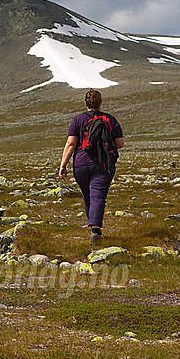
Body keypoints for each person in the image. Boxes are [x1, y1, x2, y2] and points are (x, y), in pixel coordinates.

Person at [59, 89, 124, 244]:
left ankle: (94, 227)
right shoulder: (109, 119)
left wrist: (63, 165)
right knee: (98, 196)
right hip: (103, 164)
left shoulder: (78, 119)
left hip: (81, 164)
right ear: (100, 102)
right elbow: (120, 143)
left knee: (88, 195)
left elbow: (71, 143)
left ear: (85, 103)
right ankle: (95, 229)